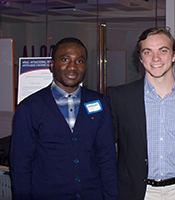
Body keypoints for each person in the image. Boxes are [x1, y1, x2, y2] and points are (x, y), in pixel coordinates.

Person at [10, 37, 118, 200]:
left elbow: (107, 157)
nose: (73, 67)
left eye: (79, 61)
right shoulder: (30, 108)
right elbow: (21, 166)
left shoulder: (99, 102)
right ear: (52, 64)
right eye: (65, 59)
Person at [108, 27, 175, 200]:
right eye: (147, 52)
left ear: (174, 55)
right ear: (140, 58)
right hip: (137, 192)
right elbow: (104, 149)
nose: (156, 58)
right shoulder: (120, 98)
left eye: (163, 50)